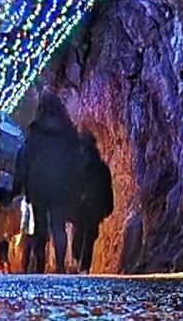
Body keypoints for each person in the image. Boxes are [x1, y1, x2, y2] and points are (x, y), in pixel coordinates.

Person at [16, 89, 80, 273]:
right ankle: (60, 265)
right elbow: (75, 158)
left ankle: (40, 266)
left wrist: (23, 184)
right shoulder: (68, 130)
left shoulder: (35, 130)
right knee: (58, 225)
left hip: (38, 185)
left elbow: (26, 158)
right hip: (61, 184)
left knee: (40, 227)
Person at [72, 131, 114, 274]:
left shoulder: (77, 165)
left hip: (82, 204)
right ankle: (84, 265)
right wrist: (108, 205)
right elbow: (107, 187)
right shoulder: (100, 166)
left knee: (81, 233)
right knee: (89, 235)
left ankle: (81, 261)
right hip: (95, 205)